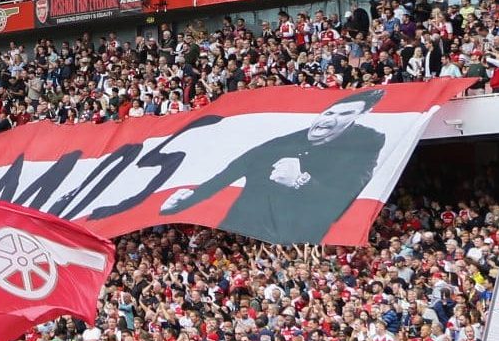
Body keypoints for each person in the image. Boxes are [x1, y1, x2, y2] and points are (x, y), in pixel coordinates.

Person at [147, 89, 390, 243]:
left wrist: (300, 181)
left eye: (344, 114)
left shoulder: (366, 143)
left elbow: (344, 201)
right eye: (328, 112)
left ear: (358, 117)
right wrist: (189, 199)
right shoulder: (286, 140)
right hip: (245, 230)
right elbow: (235, 168)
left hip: (296, 240)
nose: (330, 119)